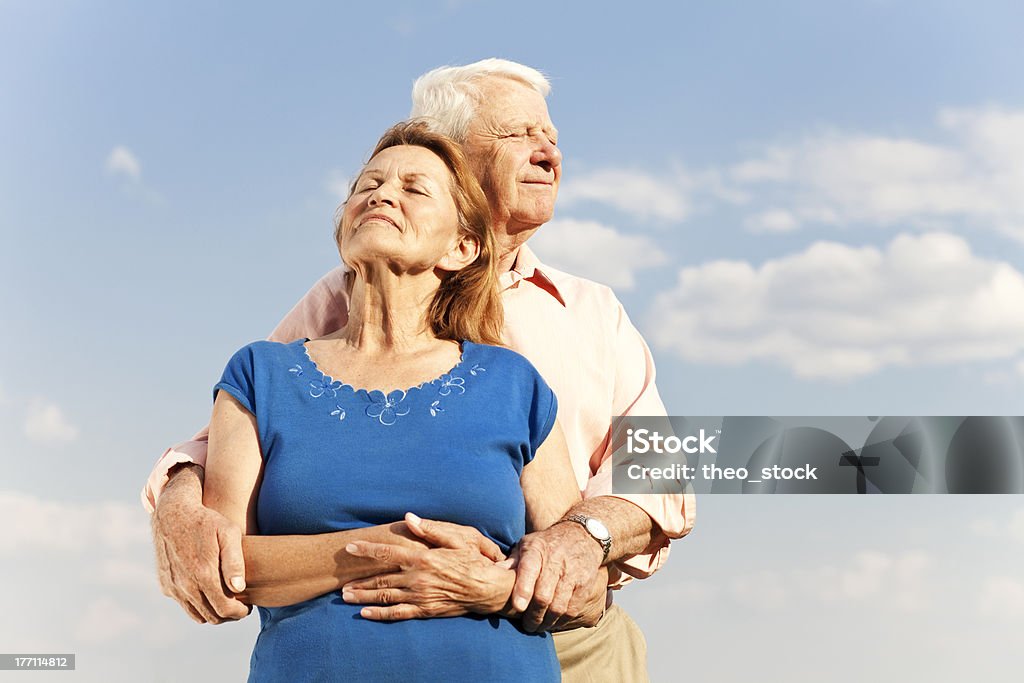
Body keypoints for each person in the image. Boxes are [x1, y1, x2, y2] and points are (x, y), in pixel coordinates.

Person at [145, 59, 695, 682]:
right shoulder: (337, 298)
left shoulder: (591, 311)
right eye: (519, 134)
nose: (547, 152)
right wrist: (179, 505)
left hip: (565, 632)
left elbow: (662, 474)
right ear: (452, 150)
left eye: (553, 138)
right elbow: (235, 439)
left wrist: (577, 538)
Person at [204, 120, 594, 681]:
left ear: (462, 247)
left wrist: (492, 585)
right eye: (367, 185)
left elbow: (580, 586)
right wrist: (386, 546)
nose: (381, 194)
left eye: (414, 189)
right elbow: (228, 567)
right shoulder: (260, 373)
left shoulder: (514, 383)